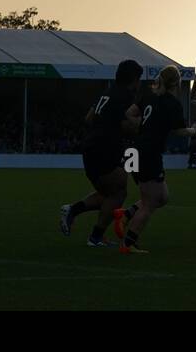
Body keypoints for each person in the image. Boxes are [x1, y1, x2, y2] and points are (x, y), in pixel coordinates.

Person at [114, 66, 196, 253]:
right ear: (176, 83)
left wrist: (143, 127)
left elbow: (129, 114)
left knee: (162, 197)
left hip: (135, 150)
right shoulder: (173, 104)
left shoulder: (148, 95)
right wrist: (195, 131)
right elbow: (179, 131)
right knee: (150, 202)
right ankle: (128, 244)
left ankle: (126, 214)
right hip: (149, 152)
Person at [60, 60, 142, 247]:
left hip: (92, 146)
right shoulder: (125, 96)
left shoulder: (108, 92)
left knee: (108, 193)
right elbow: (128, 126)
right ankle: (95, 237)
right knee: (119, 192)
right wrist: (144, 125)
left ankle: (73, 210)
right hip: (104, 148)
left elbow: (89, 118)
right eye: (138, 79)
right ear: (133, 79)